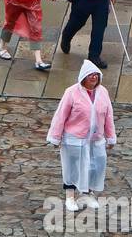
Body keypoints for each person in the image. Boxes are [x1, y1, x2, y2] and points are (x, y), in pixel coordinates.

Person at [46, 60, 116, 212]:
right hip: (74, 138)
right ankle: (70, 197)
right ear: (83, 76)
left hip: (96, 139)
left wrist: (111, 137)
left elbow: (108, 115)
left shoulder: (103, 92)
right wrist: (56, 136)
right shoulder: (71, 93)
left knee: (95, 166)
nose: (94, 77)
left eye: (96, 75)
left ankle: (88, 194)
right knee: (72, 168)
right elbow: (61, 115)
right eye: (90, 75)